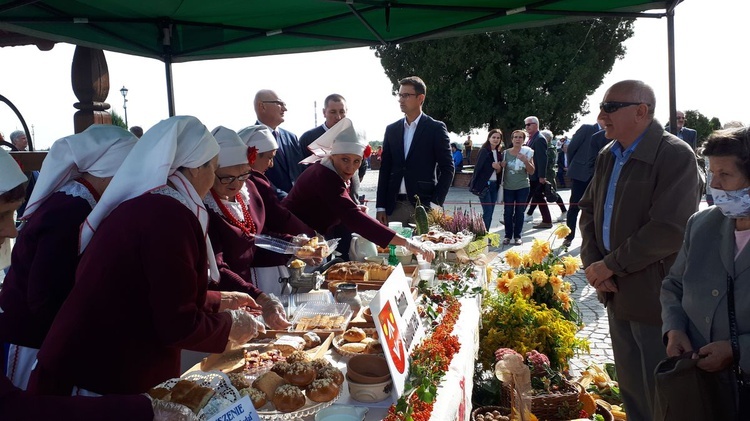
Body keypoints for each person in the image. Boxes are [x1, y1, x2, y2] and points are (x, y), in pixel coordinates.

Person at [29, 116, 265, 397]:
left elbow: (155, 290)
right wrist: (230, 325)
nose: (213, 180)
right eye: (213, 170)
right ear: (194, 168)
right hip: (102, 371)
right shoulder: (169, 215)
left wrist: (219, 300)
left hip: (99, 358)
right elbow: (176, 324)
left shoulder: (154, 204)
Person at [0, 147, 199, 421]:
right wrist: (143, 410)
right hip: (33, 340)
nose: (11, 231)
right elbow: (11, 408)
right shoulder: (69, 209)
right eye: (2, 215)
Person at [579, 80, 702, 421]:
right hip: (615, 290)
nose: (601, 115)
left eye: (610, 107)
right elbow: (588, 211)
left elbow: (669, 229)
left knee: (659, 393)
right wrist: (594, 265)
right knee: (631, 388)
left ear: (641, 111)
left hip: (653, 295)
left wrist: (610, 265)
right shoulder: (608, 154)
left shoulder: (675, 154)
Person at [0, 125, 138, 390]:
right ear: (114, 172)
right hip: (30, 339)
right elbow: (44, 296)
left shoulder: (81, 201)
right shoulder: (70, 210)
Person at [661, 127, 750, 420]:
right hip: (703, 389)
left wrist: (737, 349)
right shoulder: (701, 224)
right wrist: (674, 329)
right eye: (712, 173)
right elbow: (674, 285)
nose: (715, 185)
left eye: (725, 175)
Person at [287, 118, 434, 263]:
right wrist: (407, 243)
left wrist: (353, 208)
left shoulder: (331, 171)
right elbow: (353, 217)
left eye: (356, 161)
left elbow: (336, 207)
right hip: (290, 242)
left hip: (306, 241)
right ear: (332, 156)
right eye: (345, 159)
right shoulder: (325, 175)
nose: (350, 168)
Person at [203, 126, 295, 326]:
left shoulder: (248, 188)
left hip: (251, 289)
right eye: (227, 177)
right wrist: (259, 296)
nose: (236, 184)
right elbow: (217, 269)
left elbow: (255, 237)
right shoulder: (204, 207)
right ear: (210, 172)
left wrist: (294, 246)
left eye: (243, 175)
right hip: (226, 297)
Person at [239, 125, 316, 295]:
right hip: (262, 261)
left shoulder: (254, 178)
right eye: (268, 158)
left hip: (268, 252)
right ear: (252, 155)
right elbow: (279, 217)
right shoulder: (254, 179)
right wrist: (308, 235)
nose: (271, 164)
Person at [376, 76, 454, 226]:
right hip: (394, 207)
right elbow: (385, 169)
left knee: (424, 249)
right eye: (399, 95)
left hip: (424, 206)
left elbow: (448, 168)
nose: (401, 99)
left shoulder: (435, 128)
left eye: (406, 95)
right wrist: (381, 206)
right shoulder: (392, 130)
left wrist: (435, 204)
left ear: (420, 98)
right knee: (393, 250)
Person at [297, 94, 360, 259]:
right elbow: (301, 169)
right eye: (333, 112)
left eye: (342, 112)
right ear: (324, 112)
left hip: (347, 205)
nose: (338, 117)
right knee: (322, 255)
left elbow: (362, 166)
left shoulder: (354, 134)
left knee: (348, 255)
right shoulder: (308, 138)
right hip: (320, 211)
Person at [563, 119, 610, 248]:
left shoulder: (611, 132)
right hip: (581, 176)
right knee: (574, 207)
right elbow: (572, 148)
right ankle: (568, 236)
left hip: (599, 177)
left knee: (596, 209)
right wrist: (575, 167)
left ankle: (593, 240)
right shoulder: (587, 128)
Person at [254, 89, 305, 200]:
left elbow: (300, 171)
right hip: (271, 206)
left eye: (284, 104)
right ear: (262, 106)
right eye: (279, 104)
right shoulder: (251, 139)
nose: (285, 109)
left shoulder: (291, 138)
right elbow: (255, 176)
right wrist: (285, 198)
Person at [500, 130, 534, 245]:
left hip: (522, 187)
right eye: (515, 137)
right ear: (512, 139)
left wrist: (525, 161)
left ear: (523, 140)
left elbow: (532, 171)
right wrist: (501, 165)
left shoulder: (527, 153)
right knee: (508, 212)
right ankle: (507, 236)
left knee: (520, 212)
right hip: (508, 187)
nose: (517, 139)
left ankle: (518, 236)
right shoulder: (505, 153)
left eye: (520, 137)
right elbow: (499, 170)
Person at [526, 129, 567, 223]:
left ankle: (564, 211)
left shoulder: (550, 148)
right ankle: (529, 214)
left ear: (547, 138)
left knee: (552, 194)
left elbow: (547, 162)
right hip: (540, 174)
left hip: (547, 175)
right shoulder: (545, 146)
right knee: (536, 194)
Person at [468, 129, 503, 231]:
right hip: (485, 186)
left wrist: (499, 167)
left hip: (494, 184)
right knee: (487, 211)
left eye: (498, 138)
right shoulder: (484, 151)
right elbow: (478, 168)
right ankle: (482, 234)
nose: (496, 140)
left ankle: (484, 232)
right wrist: (492, 166)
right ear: (489, 138)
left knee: (491, 212)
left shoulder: (498, 152)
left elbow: (498, 171)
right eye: (493, 137)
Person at [522, 116, 552, 229]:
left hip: (536, 175)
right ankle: (516, 218)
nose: (527, 127)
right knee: (534, 196)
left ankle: (547, 220)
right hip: (532, 174)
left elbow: (542, 159)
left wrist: (542, 176)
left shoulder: (539, 139)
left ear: (536, 125)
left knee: (537, 196)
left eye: (529, 124)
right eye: (525, 125)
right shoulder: (532, 138)